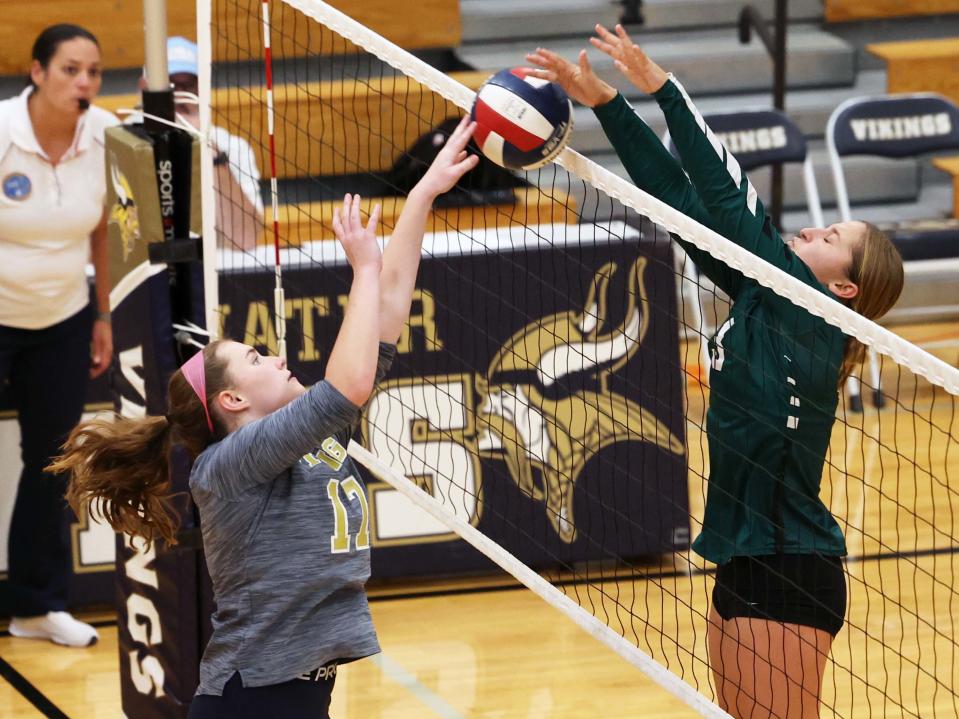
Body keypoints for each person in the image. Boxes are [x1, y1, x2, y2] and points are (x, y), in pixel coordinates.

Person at [527, 25, 904, 719]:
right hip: (740, 556)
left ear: (845, 288)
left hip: (790, 565)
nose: (815, 230)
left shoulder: (812, 316)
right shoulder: (765, 292)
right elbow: (677, 203)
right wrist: (606, 102)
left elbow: (727, 194)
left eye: (832, 239)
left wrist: (660, 87)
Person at [49, 116, 478, 717]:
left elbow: (384, 315)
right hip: (252, 700)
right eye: (254, 357)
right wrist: (362, 267)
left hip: (294, 693)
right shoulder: (229, 464)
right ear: (231, 401)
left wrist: (423, 195)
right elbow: (350, 380)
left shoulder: (304, 434)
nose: (276, 357)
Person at [0, 23, 119, 648]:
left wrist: (100, 314)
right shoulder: (2, 132)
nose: (85, 82)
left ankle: (35, 607)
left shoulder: (104, 134)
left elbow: (101, 230)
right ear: (37, 72)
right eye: (72, 69)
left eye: (94, 71)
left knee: (52, 463)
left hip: (63, 321)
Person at [132, 36, 265, 250]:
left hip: (214, 275)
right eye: (170, 85)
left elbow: (244, 240)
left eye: (189, 85)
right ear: (145, 88)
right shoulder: (119, 143)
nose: (180, 96)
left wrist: (211, 156)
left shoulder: (230, 147)